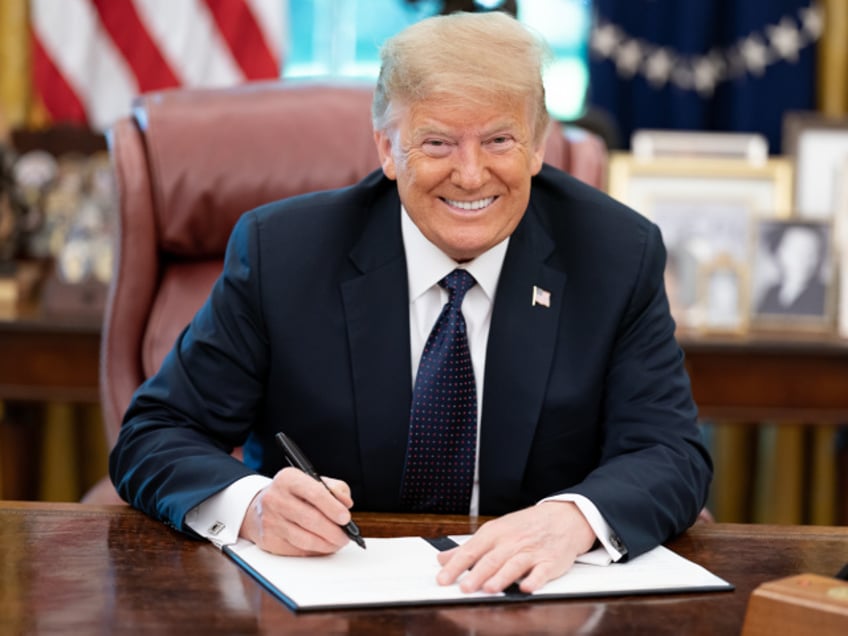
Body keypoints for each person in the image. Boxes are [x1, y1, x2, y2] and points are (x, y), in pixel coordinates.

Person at [110, 11, 712, 595]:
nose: (472, 175)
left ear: (536, 146)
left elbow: (671, 452)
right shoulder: (285, 254)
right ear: (386, 149)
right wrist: (253, 506)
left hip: (527, 602)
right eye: (438, 142)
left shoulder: (614, 254)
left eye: (500, 139)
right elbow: (156, 433)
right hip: (326, 603)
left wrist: (573, 520)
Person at [755, 223, 828, 317]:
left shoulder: (824, 297)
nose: (802, 260)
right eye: (796, 250)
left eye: (811, 252)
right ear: (779, 253)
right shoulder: (771, 294)